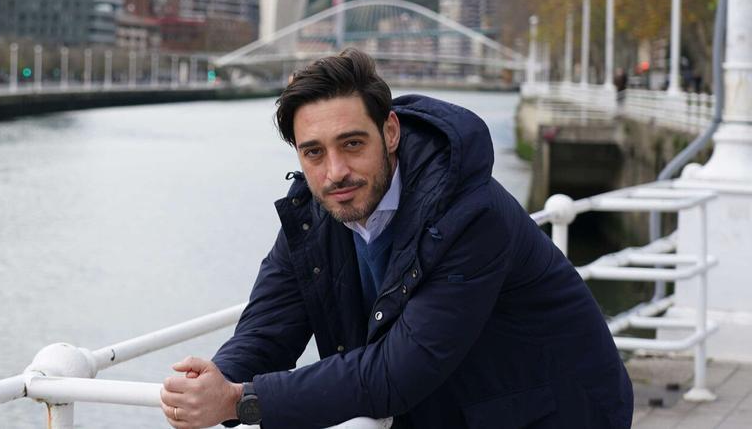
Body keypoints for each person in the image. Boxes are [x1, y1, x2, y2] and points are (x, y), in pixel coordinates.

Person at [160, 49, 633, 428]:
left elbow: (400, 370)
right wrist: (215, 381)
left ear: (389, 132)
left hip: (556, 411)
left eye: (352, 143)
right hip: (460, 408)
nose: (335, 171)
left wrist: (242, 401)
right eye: (314, 152)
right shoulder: (316, 209)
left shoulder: (470, 214)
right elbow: (270, 325)